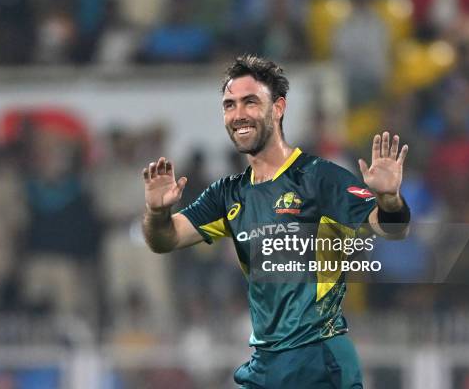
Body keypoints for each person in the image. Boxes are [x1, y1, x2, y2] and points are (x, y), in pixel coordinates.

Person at [141, 55, 411, 388]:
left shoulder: (318, 178)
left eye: (250, 102)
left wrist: (387, 199)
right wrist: (157, 213)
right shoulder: (227, 194)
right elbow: (164, 240)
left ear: (278, 108)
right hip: (265, 367)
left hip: (319, 360)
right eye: (229, 105)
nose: (238, 114)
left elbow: (392, 228)